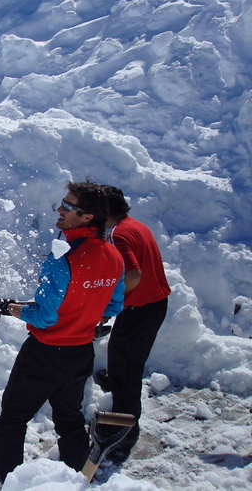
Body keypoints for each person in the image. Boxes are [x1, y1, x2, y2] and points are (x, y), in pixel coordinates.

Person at [0, 182, 125, 489]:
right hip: (81, 352)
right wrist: (81, 314)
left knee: (13, 419)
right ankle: (77, 476)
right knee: (69, 418)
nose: (60, 209)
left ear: (87, 218)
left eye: (69, 207)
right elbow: (113, 303)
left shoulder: (62, 259)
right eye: (63, 203)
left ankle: (3, 476)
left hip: (44, 353)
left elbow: (44, 316)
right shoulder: (114, 255)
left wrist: (7, 307)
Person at [96, 185, 171, 463]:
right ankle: (117, 384)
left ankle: (124, 434)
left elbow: (133, 273)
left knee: (127, 369)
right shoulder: (136, 225)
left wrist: (110, 305)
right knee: (122, 358)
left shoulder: (118, 234)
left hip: (140, 308)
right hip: (152, 305)